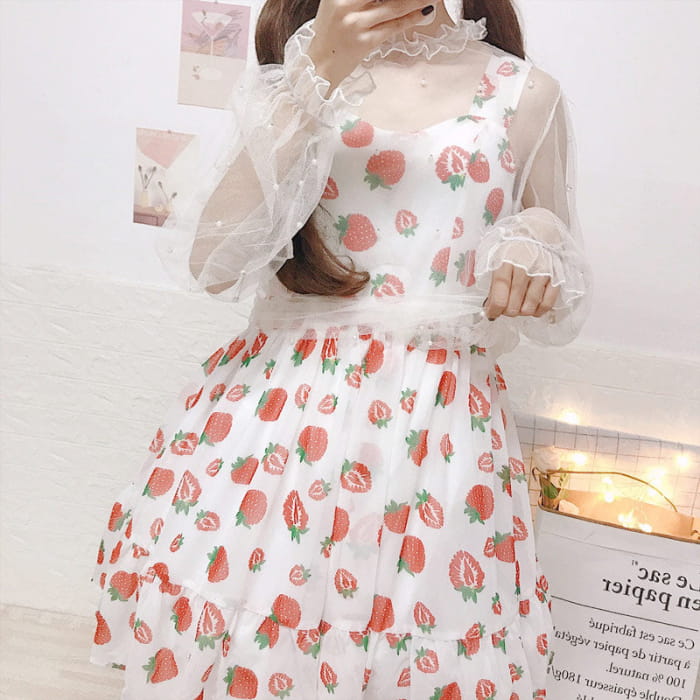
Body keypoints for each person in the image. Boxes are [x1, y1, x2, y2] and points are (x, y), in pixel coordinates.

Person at [90, 0, 593, 697]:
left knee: (410, 648)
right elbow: (213, 263)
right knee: (253, 642)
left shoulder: (526, 93)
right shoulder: (300, 70)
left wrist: (539, 235)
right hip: (282, 429)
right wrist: (315, 75)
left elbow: (559, 286)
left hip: (439, 435)